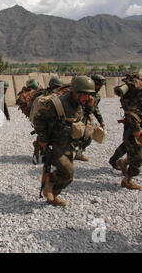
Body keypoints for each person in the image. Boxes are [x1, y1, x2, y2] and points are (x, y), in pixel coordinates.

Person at [34, 76, 96, 206]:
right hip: (55, 144)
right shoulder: (57, 104)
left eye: (89, 95)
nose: (87, 98)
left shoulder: (81, 104)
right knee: (68, 172)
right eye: (84, 94)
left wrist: (90, 108)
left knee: (67, 175)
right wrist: (43, 140)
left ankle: (52, 194)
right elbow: (38, 119)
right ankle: (49, 187)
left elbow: (85, 121)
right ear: (75, 92)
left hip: (69, 143)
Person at [73, 74, 107, 162]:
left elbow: (95, 109)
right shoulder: (84, 93)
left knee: (88, 137)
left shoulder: (96, 96)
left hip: (86, 118)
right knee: (74, 135)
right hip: (77, 117)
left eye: (101, 85)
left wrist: (101, 121)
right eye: (98, 85)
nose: (100, 87)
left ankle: (79, 153)